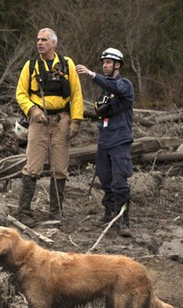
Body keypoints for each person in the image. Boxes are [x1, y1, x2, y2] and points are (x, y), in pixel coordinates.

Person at [15, 28, 84, 225]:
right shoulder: (30, 66)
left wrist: (76, 121)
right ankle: (24, 212)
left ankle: (56, 212)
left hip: (61, 121)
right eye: (38, 39)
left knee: (60, 168)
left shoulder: (66, 64)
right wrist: (33, 111)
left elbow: (77, 94)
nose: (40, 43)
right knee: (33, 166)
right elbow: (20, 93)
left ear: (53, 43)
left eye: (44, 40)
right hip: (38, 122)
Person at [76, 48, 135, 237]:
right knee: (105, 179)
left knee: (120, 181)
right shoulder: (104, 90)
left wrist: (92, 74)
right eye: (103, 63)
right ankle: (109, 213)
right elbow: (100, 108)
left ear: (118, 65)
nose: (104, 65)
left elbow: (115, 88)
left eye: (108, 62)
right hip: (104, 141)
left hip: (120, 141)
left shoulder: (125, 85)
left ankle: (123, 219)